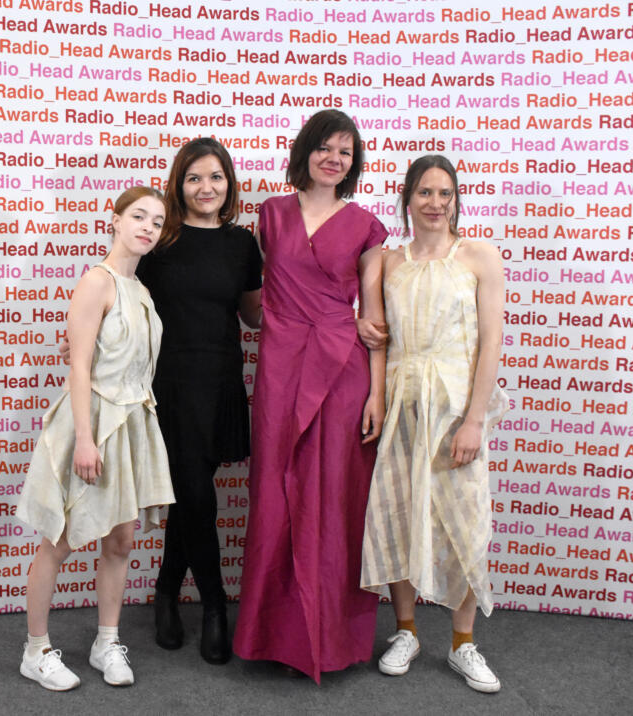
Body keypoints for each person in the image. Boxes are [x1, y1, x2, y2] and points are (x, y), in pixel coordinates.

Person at [233, 109, 386, 681]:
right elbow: (252, 301)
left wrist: (377, 393)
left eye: (345, 152)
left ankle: (328, 640)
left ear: (353, 163)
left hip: (343, 373)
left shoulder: (366, 226)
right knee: (275, 496)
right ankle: (271, 636)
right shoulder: (270, 215)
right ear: (306, 151)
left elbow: (374, 319)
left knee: (334, 499)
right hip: (279, 367)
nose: (334, 159)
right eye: (325, 147)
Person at [358, 155, 509, 693]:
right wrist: (376, 397)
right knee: (398, 513)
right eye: (425, 192)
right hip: (403, 404)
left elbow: (491, 341)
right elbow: (377, 338)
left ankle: (463, 643)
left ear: (456, 199)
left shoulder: (479, 256)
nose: (435, 203)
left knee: (465, 521)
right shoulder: (384, 261)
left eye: (445, 193)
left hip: (455, 407)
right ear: (407, 198)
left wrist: (474, 420)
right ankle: (406, 631)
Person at [15, 187, 175, 691]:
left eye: (157, 221)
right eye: (138, 216)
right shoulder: (96, 281)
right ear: (116, 220)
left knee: (121, 540)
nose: (147, 227)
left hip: (132, 425)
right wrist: (85, 439)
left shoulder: (141, 290)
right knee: (59, 539)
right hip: (92, 424)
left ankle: (107, 642)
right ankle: (35, 650)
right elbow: (79, 367)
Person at [136, 138, 263, 664]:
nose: (205, 187)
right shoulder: (159, 239)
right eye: (194, 178)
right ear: (179, 186)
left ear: (228, 183)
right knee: (194, 493)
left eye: (215, 177)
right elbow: (126, 300)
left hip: (221, 382)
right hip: (169, 384)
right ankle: (214, 606)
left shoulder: (242, 243)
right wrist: (85, 333)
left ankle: (166, 590)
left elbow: (253, 316)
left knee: (192, 495)